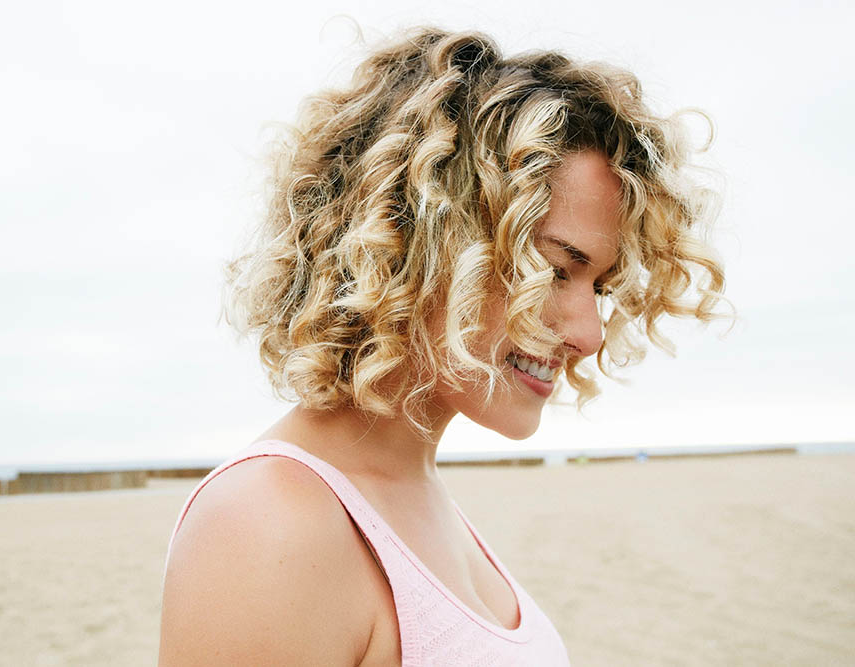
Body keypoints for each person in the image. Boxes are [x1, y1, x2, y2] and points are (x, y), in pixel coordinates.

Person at [159, 27, 725, 666]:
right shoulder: (270, 525)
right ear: (418, 241)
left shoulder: (414, 491)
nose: (589, 334)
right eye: (554, 269)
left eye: (600, 285)